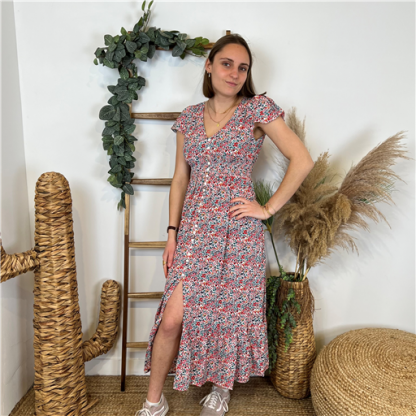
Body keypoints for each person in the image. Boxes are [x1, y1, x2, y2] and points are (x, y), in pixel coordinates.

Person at [136, 33, 314, 416]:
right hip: (195, 230)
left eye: (243, 67)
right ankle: (154, 401)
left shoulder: (257, 109)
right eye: (226, 63)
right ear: (209, 66)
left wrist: (266, 209)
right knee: (172, 319)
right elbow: (180, 179)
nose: (234, 73)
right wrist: (172, 233)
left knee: (229, 314)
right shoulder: (189, 117)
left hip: (238, 230)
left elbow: (302, 159)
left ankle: (221, 389)